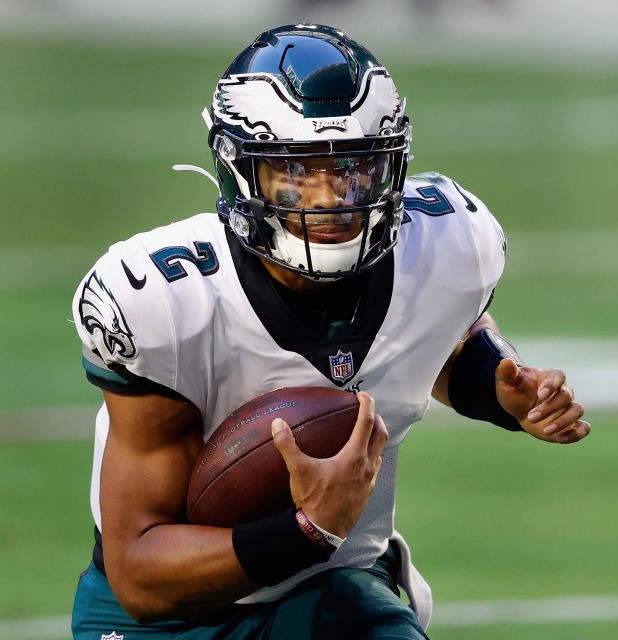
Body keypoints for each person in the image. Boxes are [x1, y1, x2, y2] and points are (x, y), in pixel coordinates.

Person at [70, 24, 589, 640]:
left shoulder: (449, 242)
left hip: (334, 591)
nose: (331, 198)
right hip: (178, 617)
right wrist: (308, 527)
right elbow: (140, 575)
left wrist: (497, 383)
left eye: (355, 168)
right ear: (242, 170)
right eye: (297, 170)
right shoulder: (165, 302)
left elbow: (442, 338)